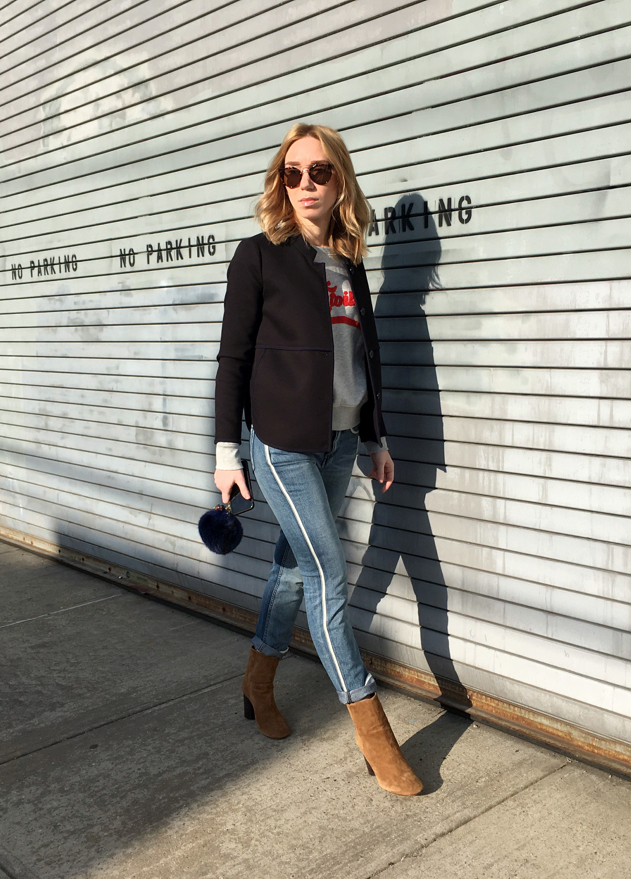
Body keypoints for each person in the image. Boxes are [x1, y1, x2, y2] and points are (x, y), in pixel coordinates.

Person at [212, 123, 422, 796]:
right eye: (293, 172)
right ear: (280, 181)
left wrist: (374, 436)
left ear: (341, 182)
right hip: (280, 446)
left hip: (338, 443)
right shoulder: (258, 257)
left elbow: (363, 359)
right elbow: (232, 359)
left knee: (292, 571)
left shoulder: (349, 260)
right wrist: (226, 451)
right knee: (330, 574)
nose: (305, 184)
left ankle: (257, 685)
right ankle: (373, 732)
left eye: (320, 172)